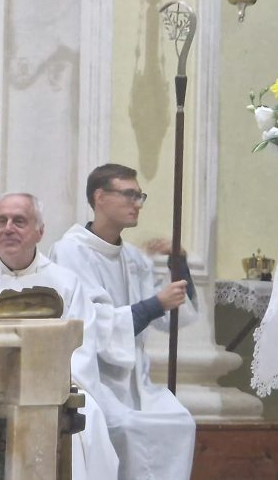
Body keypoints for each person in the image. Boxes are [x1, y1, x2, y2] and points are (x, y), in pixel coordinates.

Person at [49, 163, 198, 480]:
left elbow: (170, 318)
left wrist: (179, 262)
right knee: (127, 427)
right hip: (94, 382)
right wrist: (155, 304)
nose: (137, 203)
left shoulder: (133, 258)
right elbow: (91, 325)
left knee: (181, 422)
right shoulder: (71, 252)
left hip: (135, 383)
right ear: (99, 197)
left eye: (139, 196)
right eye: (129, 195)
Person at [0, 193, 119, 480]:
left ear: (40, 232)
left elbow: (81, 348)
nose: (8, 228)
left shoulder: (65, 283)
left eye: (19, 221)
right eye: (1, 221)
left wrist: (52, 382)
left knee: (89, 419)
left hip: (51, 386)